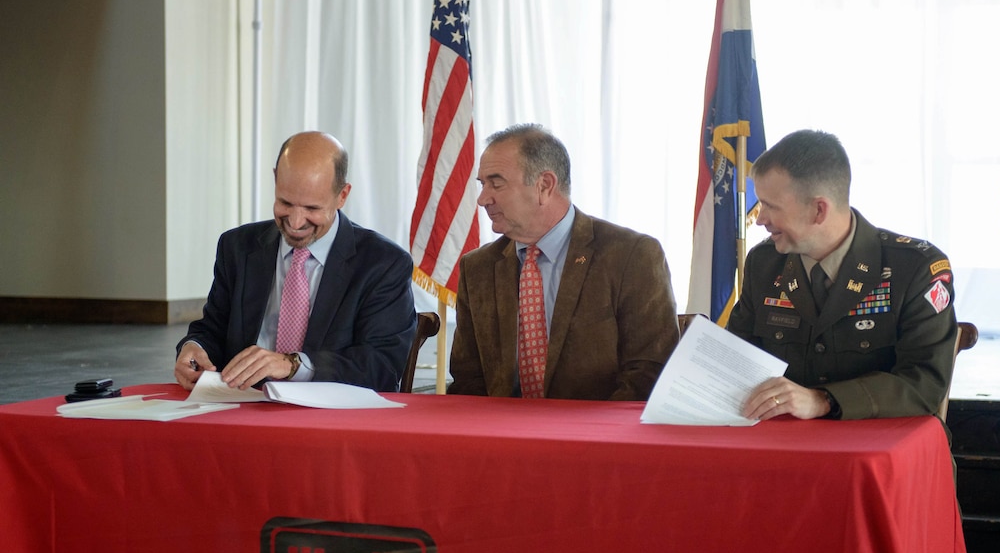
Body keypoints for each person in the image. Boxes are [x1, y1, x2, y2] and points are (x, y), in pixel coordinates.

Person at [727, 129, 958, 421]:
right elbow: (737, 359)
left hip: (878, 450)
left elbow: (924, 382)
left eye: (770, 207)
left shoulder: (915, 268)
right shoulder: (764, 263)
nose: (759, 219)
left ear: (819, 210)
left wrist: (822, 400)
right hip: (784, 446)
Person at [449, 124, 679, 400]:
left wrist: (589, 437)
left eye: (496, 183)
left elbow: (649, 372)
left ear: (545, 185)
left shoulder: (630, 255)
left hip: (599, 434)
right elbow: (468, 379)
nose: (483, 198)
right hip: (504, 435)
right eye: (482, 184)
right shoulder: (478, 268)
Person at [174, 131, 416, 393]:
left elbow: (382, 367)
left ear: (342, 195)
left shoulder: (383, 264)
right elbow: (213, 329)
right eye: (285, 203)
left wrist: (292, 366)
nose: (296, 222)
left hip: (331, 422)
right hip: (242, 410)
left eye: (312, 209)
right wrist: (194, 347)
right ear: (276, 179)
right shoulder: (237, 247)